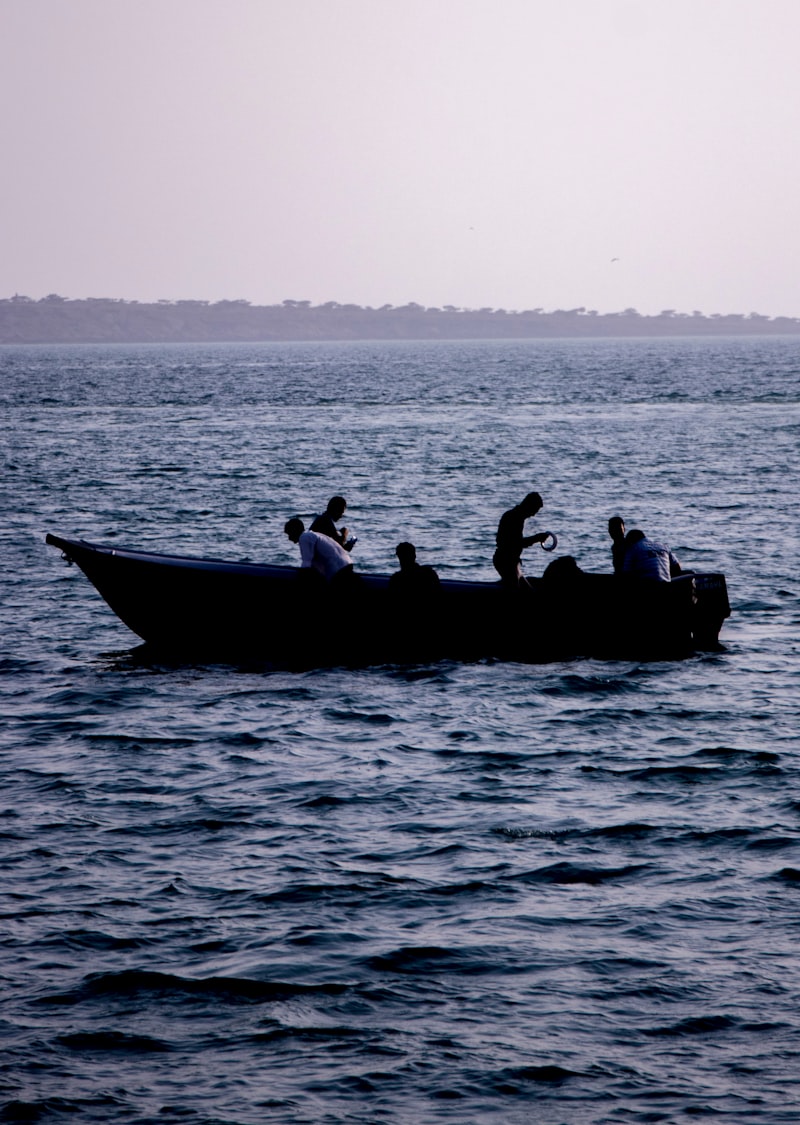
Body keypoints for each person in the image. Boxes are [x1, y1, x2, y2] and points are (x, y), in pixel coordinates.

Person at [493, 491, 549, 587]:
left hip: (511, 562)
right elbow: (515, 543)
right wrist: (537, 538)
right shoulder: (513, 518)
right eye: (534, 510)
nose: (533, 515)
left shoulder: (516, 517)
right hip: (505, 561)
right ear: (529, 506)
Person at [284, 517, 353, 581]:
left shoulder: (304, 538)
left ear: (295, 531)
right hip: (347, 564)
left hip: (339, 570)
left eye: (289, 534)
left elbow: (306, 565)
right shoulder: (313, 535)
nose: (289, 538)